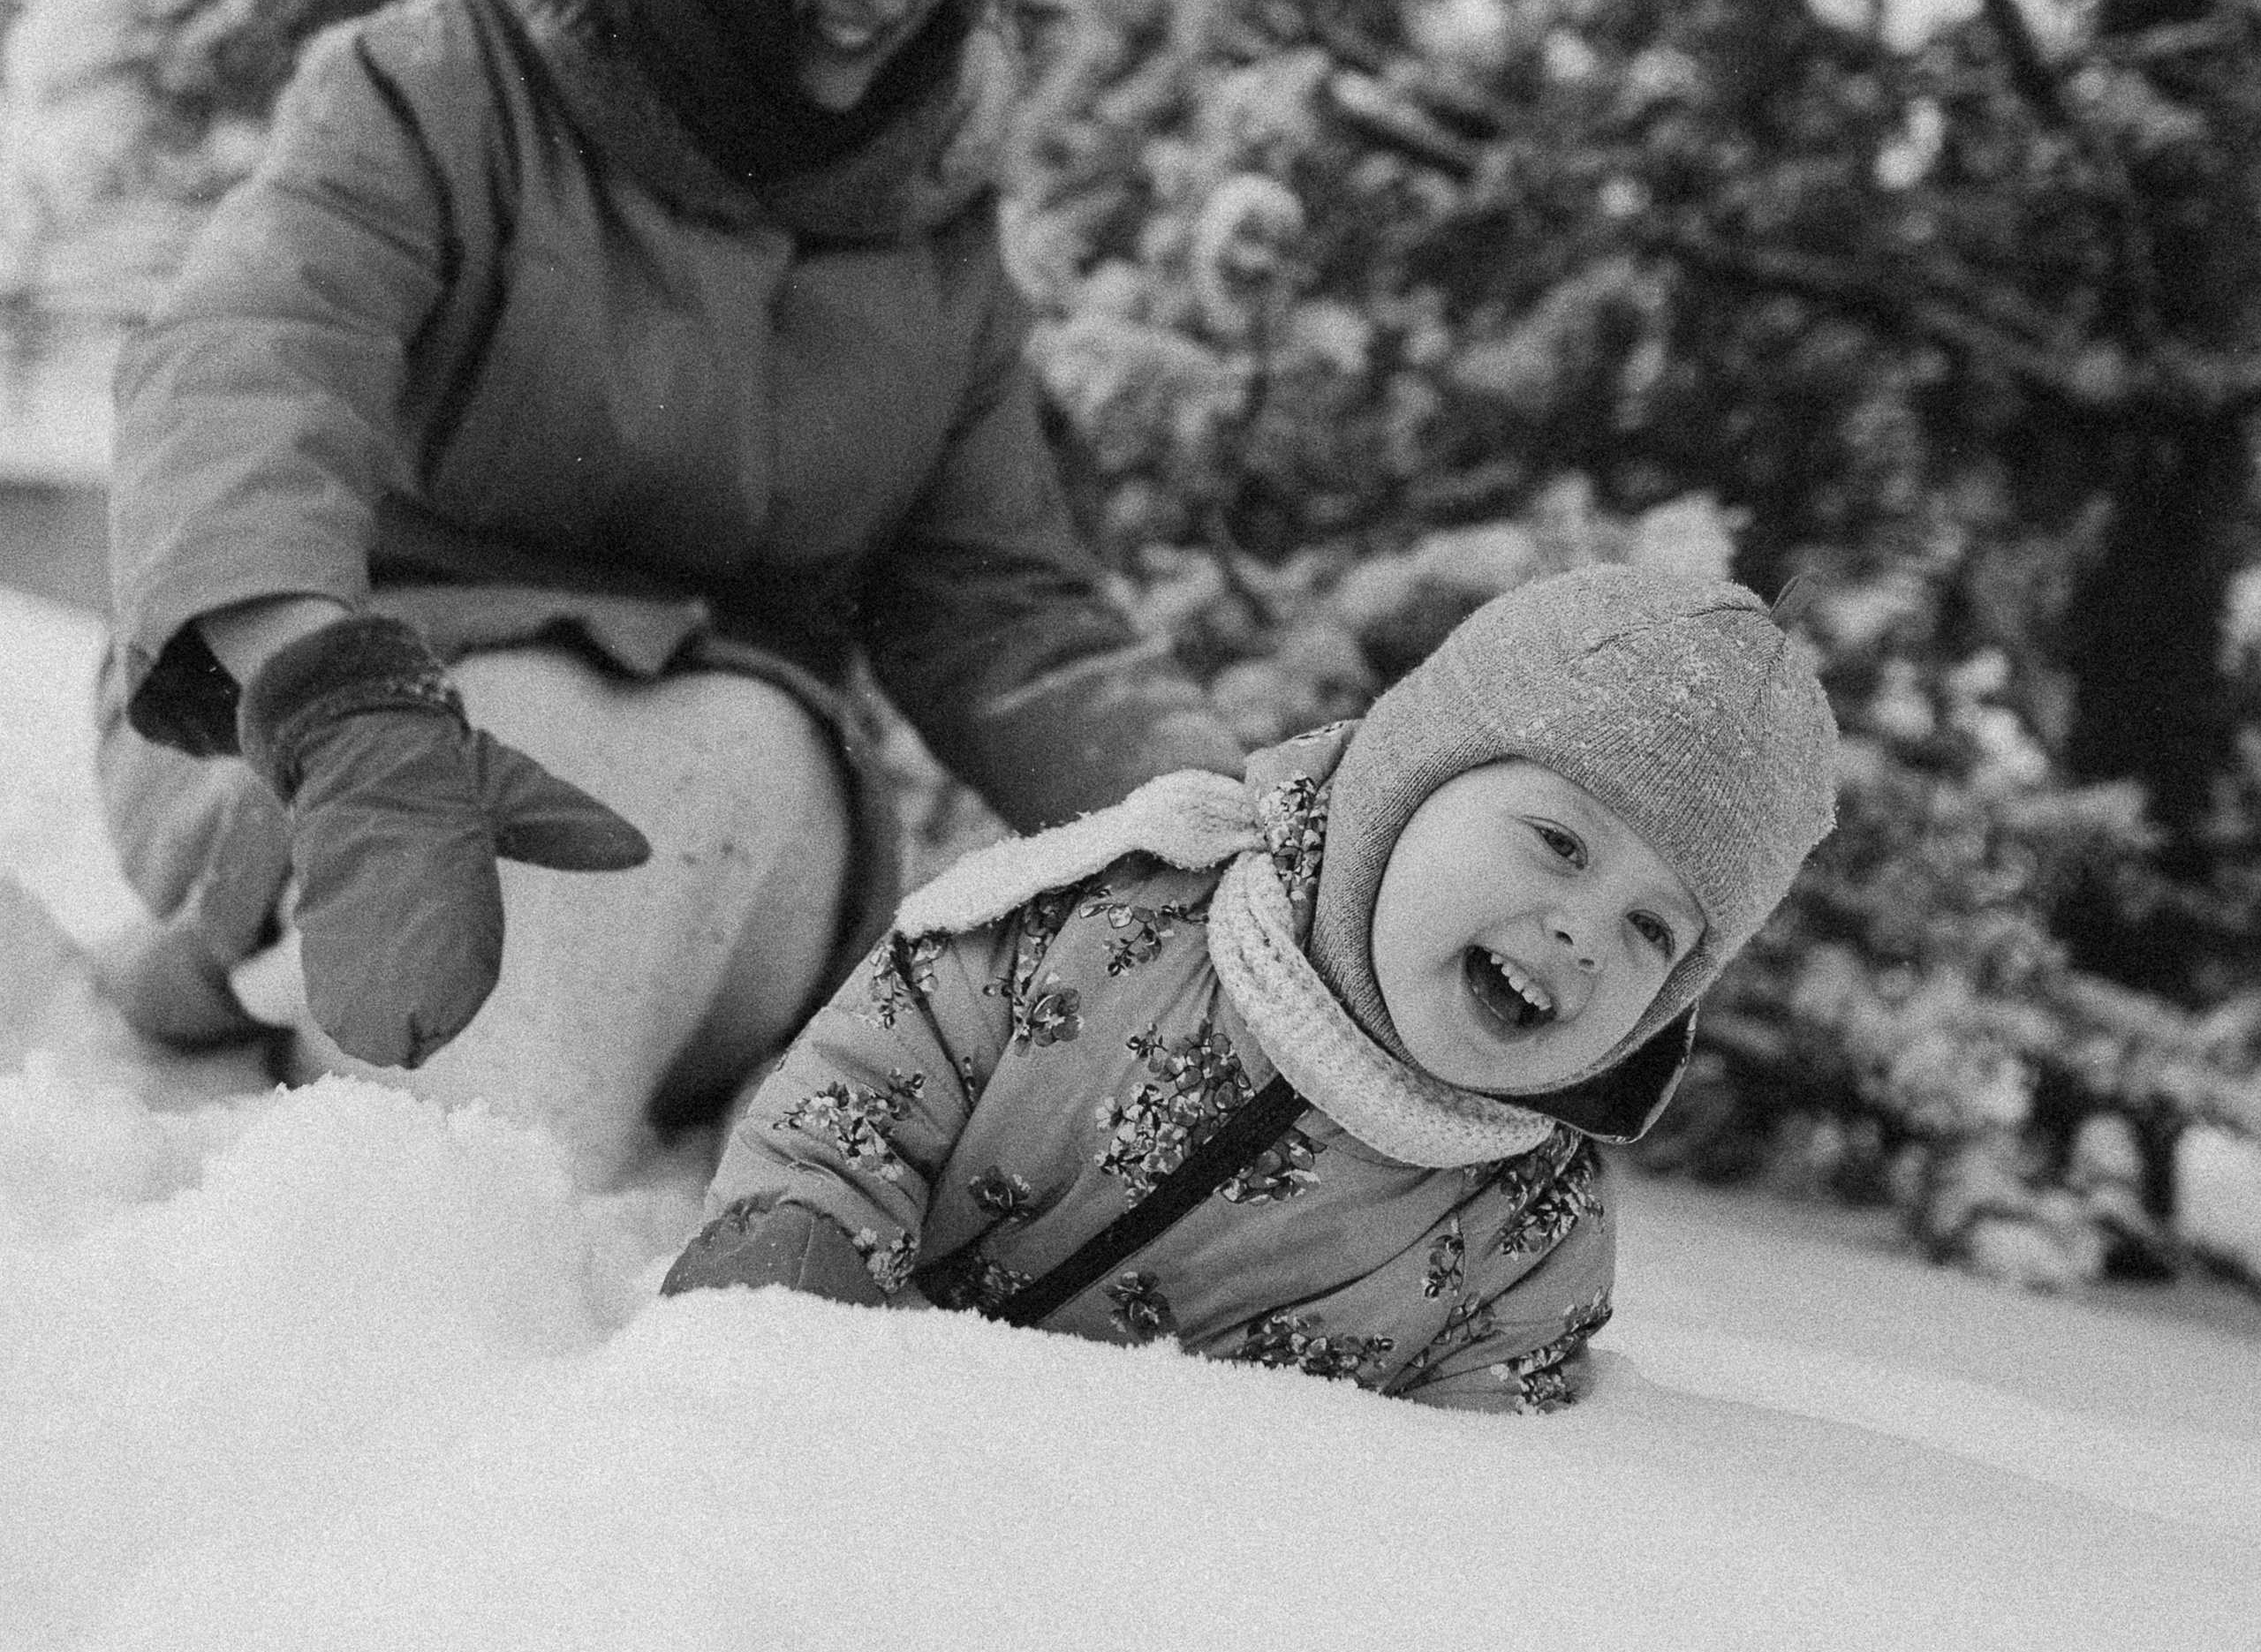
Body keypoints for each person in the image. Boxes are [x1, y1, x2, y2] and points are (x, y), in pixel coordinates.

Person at [94, 0, 1240, 1181]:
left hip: (728, 793)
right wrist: (329, 688)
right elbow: (252, 358)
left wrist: (1241, 842)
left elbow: (1009, 614)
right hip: (354, 710)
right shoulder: (436, 90)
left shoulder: (936, 231)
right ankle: (425, 1175)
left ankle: (438, 1146)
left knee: (728, 750)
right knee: (514, 737)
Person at [660, 564, 1837, 1407]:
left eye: (1650, 928)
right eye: (1557, 842)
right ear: (1407, 785)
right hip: (826, 1437)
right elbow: (867, 1079)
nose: (1582, 930)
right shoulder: (1118, 916)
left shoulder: (1530, 1233)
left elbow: (1479, 1509)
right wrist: (786, 1306)